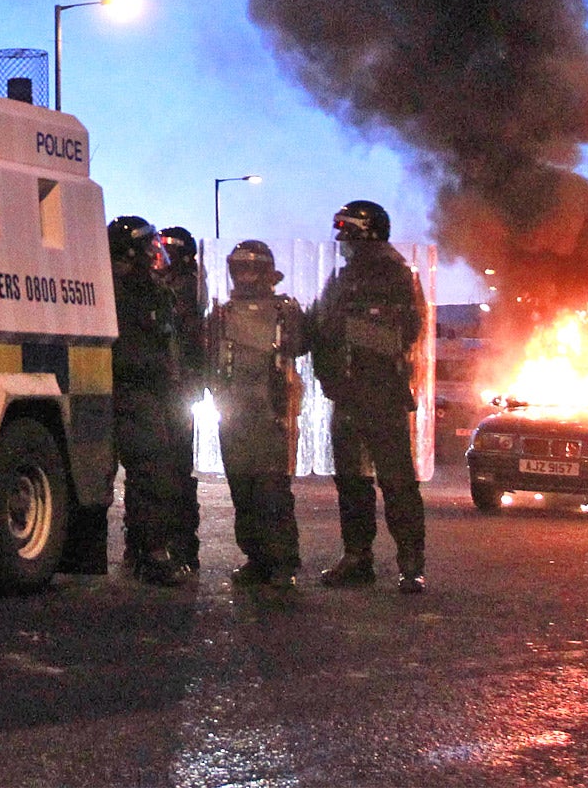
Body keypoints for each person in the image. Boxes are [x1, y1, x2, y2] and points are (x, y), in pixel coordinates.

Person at [309, 199, 428, 594]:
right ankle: (357, 557)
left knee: (396, 482)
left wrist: (350, 333)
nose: (342, 242)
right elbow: (322, 327)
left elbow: (406, 332)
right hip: (348, 394)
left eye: (348, 234)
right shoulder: (344, 278)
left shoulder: (396, 275)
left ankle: (410, 563)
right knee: (351, 481)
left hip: (382, 394)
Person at [109, 216, 206, 583]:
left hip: (152, 391)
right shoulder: (124, 291)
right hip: (137, 390)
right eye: (150, 248)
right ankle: (151, 553)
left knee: (153, 474)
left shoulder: (148, 288)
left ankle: (146, 551)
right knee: (152, 474)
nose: (156, 255)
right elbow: (136, 350)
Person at [207, 239, 306, 589]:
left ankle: (282, 561)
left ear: (267, 272)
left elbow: (304, 344)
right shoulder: (222, 314)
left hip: (270, 414)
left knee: (272, 489)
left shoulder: (285, 312)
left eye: (253, 268)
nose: (246, 275)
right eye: (240, 267)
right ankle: (256, 558)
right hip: (234, 414)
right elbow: (207, 360)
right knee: (243, 490)